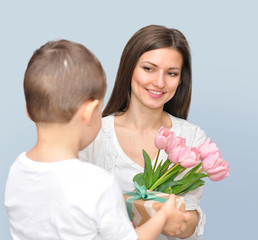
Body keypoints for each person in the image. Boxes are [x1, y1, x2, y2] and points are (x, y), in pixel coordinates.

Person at [4, 39, 189, 240]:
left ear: (29, 113)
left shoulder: (17, 170)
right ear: (90, 112)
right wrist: (162, 217)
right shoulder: (98, 184)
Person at [80, 25, 207, 240]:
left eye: (172, 73)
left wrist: (181, 222)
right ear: (129, 68)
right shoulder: (93, 134)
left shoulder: (192, 137)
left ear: (181, 79)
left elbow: (191, 215)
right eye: (148, 68)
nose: (159, 82)